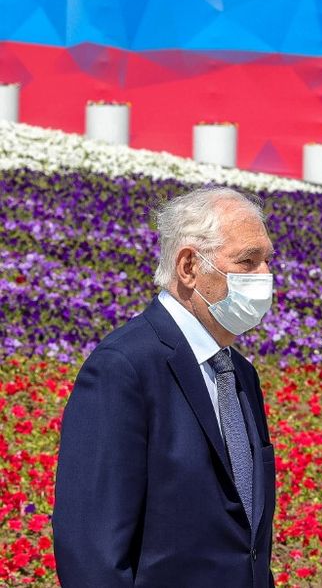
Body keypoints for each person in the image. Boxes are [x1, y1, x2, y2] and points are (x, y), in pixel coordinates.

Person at [53, 187, 277, 587]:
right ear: (189, 267)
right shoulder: (124, 368)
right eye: (247, 261)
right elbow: (91, 552)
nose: (264, 276)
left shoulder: (240, 373)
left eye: (267, 261)